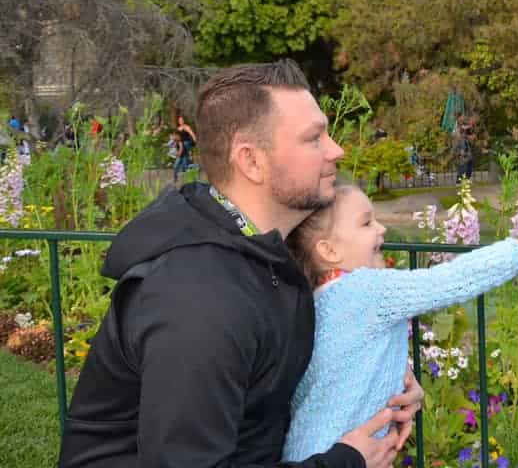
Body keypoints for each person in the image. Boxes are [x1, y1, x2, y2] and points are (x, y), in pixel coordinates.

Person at [59, 60, 423, 468]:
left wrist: (384, 383)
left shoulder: (266, 253)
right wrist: (345, 462)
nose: (336, 150)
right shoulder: (197, 300)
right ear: (251, 161)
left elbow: (273, 382)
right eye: (314, 138)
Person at [282, 184, 518, 460]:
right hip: (337, 455)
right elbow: (449, 280)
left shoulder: (320, 299)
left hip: (312, 451)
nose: (381, 228)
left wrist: (403, 377)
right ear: (329, 251)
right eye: (366, 223)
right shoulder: (365, 291)